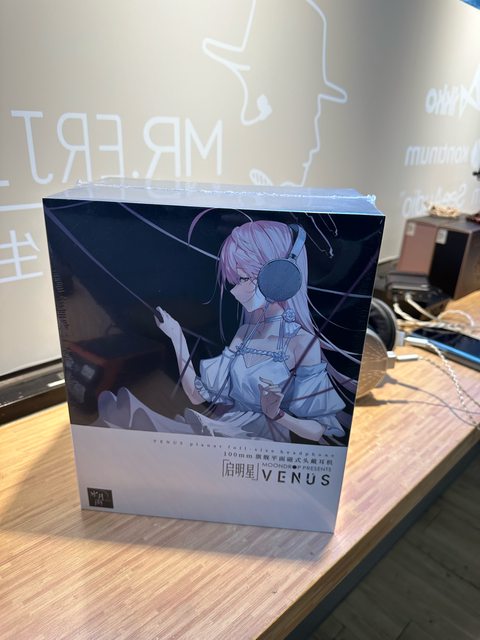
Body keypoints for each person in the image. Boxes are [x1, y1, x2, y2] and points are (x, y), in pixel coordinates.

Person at [98, 220, 346, 443]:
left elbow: (317, 430)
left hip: (260, 446)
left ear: (278, 277)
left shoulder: (302, 343)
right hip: (222, 430)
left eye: (243, 279)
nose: (235, 291)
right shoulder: (245, 334)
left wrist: (278, 414)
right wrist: (177, 337)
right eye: (235, 281)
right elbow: (197, 396)